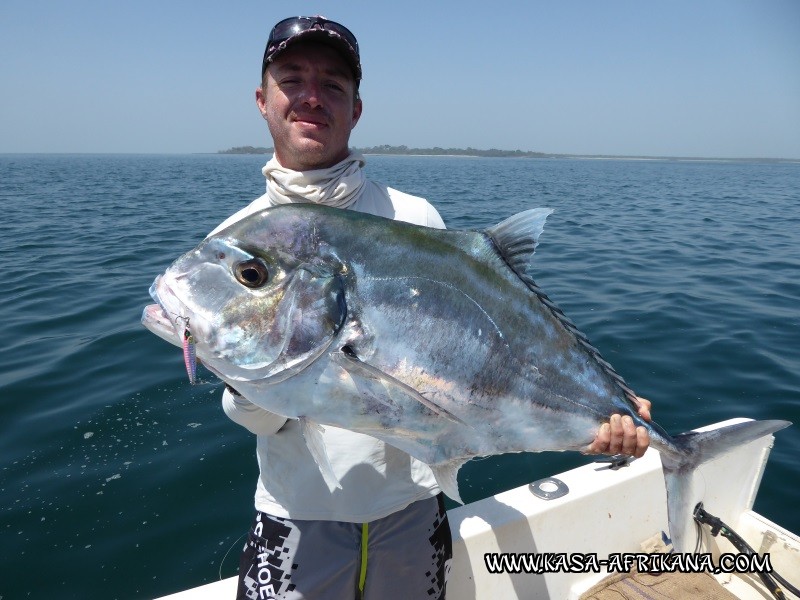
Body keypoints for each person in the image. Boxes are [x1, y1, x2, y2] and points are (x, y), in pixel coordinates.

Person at [212, 16, 652, 600]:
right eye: (292, 80)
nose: (312, 97)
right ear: (262, 99)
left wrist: (592, 419)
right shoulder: (234, 246)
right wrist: (248, 385)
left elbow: (475, 375)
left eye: (334, 85)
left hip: (412, 517)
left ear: (357, 109)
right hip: (296, 517)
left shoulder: (415, 218)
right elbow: (262, 410)